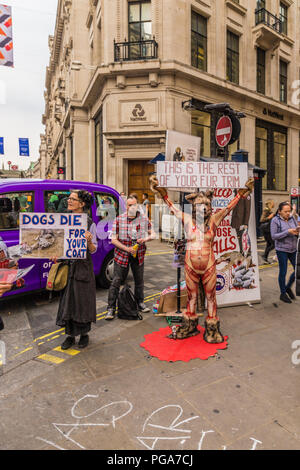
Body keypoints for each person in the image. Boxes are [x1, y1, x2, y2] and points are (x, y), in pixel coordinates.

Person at [55, 190, 97, 349]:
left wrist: (89, 242)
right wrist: (55, 255)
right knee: (68, 301)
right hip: (68, 268)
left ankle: (84, 335)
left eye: (72, 199)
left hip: (83, 268)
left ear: (82, 204)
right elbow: (58, 244)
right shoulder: (62, 221)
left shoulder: (90, 223)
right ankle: (70, 336)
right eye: (69, 198)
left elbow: (94, 250)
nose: (68, 201)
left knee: (83, 301)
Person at [105, 195, 156, 320]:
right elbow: (113, 240)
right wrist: (126, 248)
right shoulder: (119, 219)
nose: (132, 207)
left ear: (137, 205)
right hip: (122, 255)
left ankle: (140, 303)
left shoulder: (143, 219)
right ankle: (111, 308)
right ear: (126, 206)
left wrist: (146, 239)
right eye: (129, 205)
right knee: (116, 281)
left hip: (138, 255)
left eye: (134, 204)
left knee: (139, 281)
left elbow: (153, 233)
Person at [270, 202, 300, 303]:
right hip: (281, 250)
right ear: (279, 211)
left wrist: (297, 231)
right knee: (283, 272)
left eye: (289, 211)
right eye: (285, 211)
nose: (288, 213)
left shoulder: (292, 218)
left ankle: (287, 287)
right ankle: (283, 293)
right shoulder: (275, 220)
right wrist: (288, 232)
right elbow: (274, 236)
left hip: (293, 248)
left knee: (298, 271)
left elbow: (296, 230)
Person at [260, 199, 275, 264]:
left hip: (268, 229)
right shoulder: (266, 210)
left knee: (269, 244)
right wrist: (269, 217)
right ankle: (264, 255)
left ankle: (265, 257)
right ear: (270, 203)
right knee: (273, 244)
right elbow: (262, 220)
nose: (274, 204)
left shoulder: (268, 210)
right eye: (273, 202)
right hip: (266, 230)